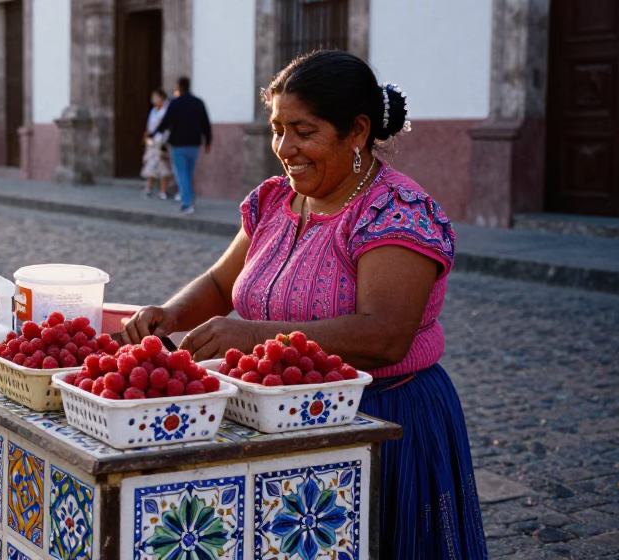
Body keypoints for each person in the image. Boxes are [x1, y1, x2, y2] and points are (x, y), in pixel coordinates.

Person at [123, 50, 485, 558]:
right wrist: (169, 314)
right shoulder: (274, 201)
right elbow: (221, 283)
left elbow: (384, 335)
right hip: (279, 419)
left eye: (303, 131)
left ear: (356, 132)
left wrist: (252, 336)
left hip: (381, 423)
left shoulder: (395, 211)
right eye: (277, 129)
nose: (284, 147)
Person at [153, 76, 211, 215]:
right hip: (194, 144)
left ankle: (186, 203)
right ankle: (189, 197)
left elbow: (166, 122)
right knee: (188, 173)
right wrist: (208, 141)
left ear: (179, 86)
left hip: (179, 144)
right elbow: (205, 123)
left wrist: (154, 133)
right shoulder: (198, 102)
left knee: (181, 174)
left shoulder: (175, 103)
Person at [141, 89, 174, 199]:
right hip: (152, 142)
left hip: (162, 142)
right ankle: (148, 188)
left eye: (156, 97)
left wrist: (164, 142)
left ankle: (163, 191)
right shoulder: (153, 111)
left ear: (162, 97)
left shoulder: (166, 110)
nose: (154, 99)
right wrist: (147, 136)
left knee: (163, 166)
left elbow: (167, 128)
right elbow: (149, 126)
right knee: (150, 164)